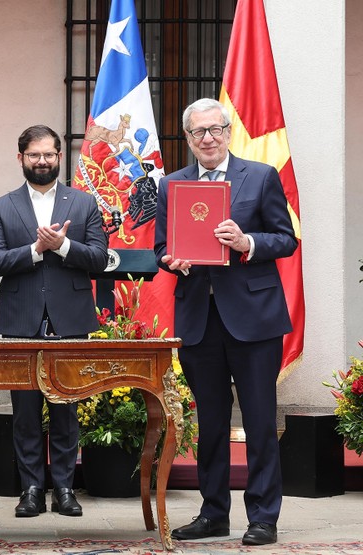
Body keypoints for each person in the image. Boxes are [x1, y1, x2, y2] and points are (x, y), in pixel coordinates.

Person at [154, 98, 297, 546]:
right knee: (210, 424)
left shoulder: (259, 176)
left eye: (215, 129)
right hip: (199, 318)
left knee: (258, 421)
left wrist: (247, 241)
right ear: (188, 139)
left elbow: (285, 239)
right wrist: (171, 260)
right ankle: (213, 513)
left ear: (228, 131)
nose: (208, 139)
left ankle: (263, 517)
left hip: (253, 320)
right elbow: (161, 245)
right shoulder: (172, 184)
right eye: (199, 132)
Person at [0, 125, 109, 518]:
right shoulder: (2, 206)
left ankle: (66, 489)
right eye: (34, 155)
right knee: (24, 412)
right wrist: (36, 250)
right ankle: (32, 489)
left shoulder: (83, 203)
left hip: (70, 320)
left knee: (66, 409)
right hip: (21, 321)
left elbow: (100, 258)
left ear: (60, 157)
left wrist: (64, 246)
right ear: (20, 157)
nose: (42, 161)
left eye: (49, 155)